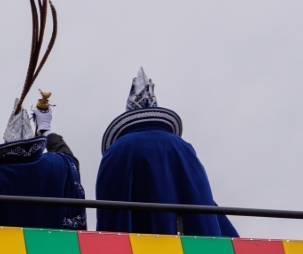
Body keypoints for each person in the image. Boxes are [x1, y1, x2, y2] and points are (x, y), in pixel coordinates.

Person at [95, 68, 236, 237]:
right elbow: (199, 197)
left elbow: (110, 216)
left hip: (132, 245)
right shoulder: (182, 147)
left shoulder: (115, 152)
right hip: (184, 243)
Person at [0, 92, 86, 230]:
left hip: (7, 244)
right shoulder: (55, 164)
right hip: (55, 242)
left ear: (6, 142)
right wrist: (45, 130)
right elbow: (70, 160)